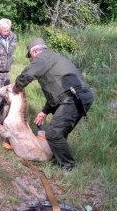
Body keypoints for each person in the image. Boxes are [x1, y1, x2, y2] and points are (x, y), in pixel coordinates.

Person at [13, 38, 94, 171]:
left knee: (53, 134)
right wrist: (45, 111)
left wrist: (17, 87)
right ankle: (57, 160)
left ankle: (68, 167)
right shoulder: (54, 57)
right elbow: (57, 92)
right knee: (60, 132)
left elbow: (28, 73)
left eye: (30, 56)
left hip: (73, 98)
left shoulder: (42, 58)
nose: (31, 59)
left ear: (35, 51)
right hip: (82, 96)